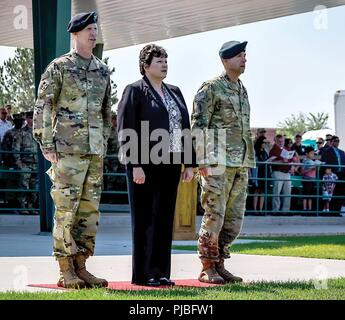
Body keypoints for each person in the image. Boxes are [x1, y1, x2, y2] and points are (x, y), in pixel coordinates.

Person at [33, 11, 111, 289]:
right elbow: (43, 106)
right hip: (66, 151)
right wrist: (46, 143)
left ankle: (82, 266)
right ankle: (66, 269)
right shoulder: (59, 67)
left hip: (94, 153)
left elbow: (105, 111)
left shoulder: (102, 70)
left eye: (95, 28)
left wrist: (103, 142)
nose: (94, 33)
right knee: (66, 210)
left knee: (89, 212)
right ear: (75, 33)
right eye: (89, 28)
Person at [117, 44, 194, 286]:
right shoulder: (134, 91)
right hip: (144, 165)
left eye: (166, 60)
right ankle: (143, 274)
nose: (164, 64)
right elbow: (126, 128)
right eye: (159, 60)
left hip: (171, 164)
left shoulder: (175, 92)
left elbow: (185, 128)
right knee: (144, 219)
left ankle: (161, 272)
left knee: (163, 218)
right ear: (145, 66)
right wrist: (135, 164)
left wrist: (190, 164)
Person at [191, 40, 255, 284]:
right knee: (214, 215)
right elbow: (198, 125)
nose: (244, 59)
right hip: (215, 162)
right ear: (225, 60)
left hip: (240, 162)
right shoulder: (211, 88)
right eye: (239, 55)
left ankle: (220, 263)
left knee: (234, 218)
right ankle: (207, 266)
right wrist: (201, 160)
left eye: (245, 55)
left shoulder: (241, 88)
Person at [13, 111, 39, 214]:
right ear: (27, 119)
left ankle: (31, 206)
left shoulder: (38, 132)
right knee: (24, 186)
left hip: (36, 164)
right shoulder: (21, 132)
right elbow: (16, 150)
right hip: (25, 164)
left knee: (34, 188)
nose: (32, 120)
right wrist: (19, 164)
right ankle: (23, 206)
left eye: (34, 117)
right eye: (30, 118)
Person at [0, 113, 24, 209]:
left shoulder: (25, 132)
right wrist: (7, 160)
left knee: (22, 183)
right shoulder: (9, 133)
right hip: (11, 163)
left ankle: (20, 203)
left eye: (21, 121)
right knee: (11, 183)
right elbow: (5, 148)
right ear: (14, 122)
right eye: (17, 121)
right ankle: (11, 203)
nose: (19, 122)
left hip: (24, 162)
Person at [269, 134, 298, 213]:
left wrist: (292, 166)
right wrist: (281, 161)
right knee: (277, 192)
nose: (281, 142)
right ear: (276, 141)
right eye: (279, 141)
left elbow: (292, 159)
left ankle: (285, 210)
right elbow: (270, 162)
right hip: (278, 172)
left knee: (287, 192)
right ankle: (276, 210)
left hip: (287, 173)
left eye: (282, 141)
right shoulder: (273, 150)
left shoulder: (286, 149)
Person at [321, 136, 345, 214]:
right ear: (331, 142)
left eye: (338, 141)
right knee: (330, 193)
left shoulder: (342, 152)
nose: (337, 142)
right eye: (335, 141)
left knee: (341, 192)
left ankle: (340, 210)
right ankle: (330, 211)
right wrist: (328, 170)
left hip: (341, 174)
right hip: (332, 174)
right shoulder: (327, 151)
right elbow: (324, 162)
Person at [252, 136, 270, 213]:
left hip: (265, 172)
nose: (265, 144)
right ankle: (255, 209)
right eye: (264, 143)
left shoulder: (265, 151)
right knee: (257, 190)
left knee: (263, 192)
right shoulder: (255, 151)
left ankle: (261, 209)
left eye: (266, 143)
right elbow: (255, 163)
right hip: (258, 172)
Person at [301, 146, 317, 211]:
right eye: (311, 153)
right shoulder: (305, 161)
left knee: (311, 195)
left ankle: (310, 209)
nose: (312, 155)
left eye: (313, 153)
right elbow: (302, 171)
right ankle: (304, 208)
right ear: (307, 154)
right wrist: (311, 168)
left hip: (313, 180)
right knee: (306, 195)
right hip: (307, 180)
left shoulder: (313, 161)